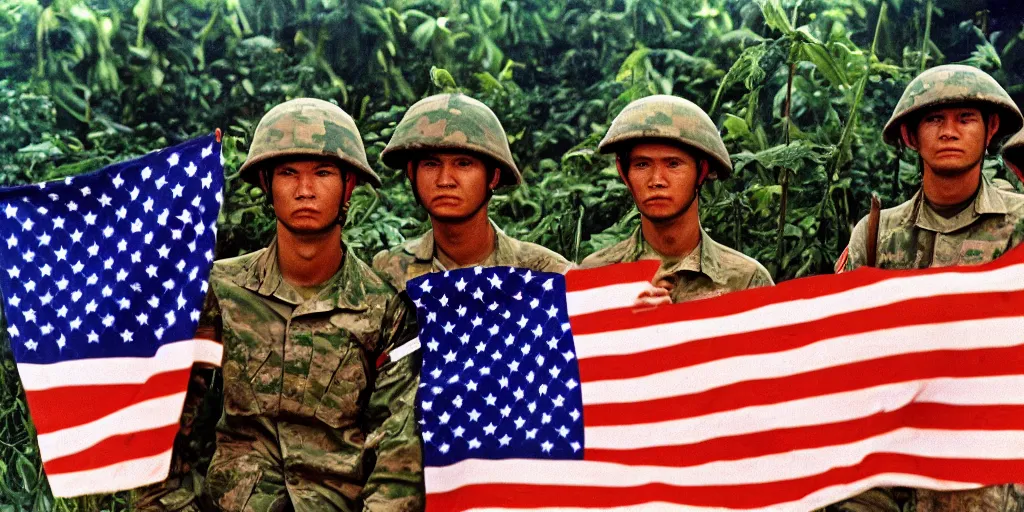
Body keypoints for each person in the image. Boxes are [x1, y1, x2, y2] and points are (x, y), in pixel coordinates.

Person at [198, 98, 422, 511]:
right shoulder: (220, 290)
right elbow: (173, 422)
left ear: (348, 186)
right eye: (288, 173)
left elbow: (397, 451)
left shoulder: (384, 308)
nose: (305, 191)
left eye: (322, 173)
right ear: (266, 183)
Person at [831, 64, 1024, 511]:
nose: (949, 132)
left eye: (966, 119)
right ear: (910, 137)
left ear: (991, 128)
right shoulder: (876, 233)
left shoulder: (1019, 225)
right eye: (935, 120)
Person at [578, 94, 773, 304]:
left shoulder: (745, 280)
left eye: (673, 164)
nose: (657, 180)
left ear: (702, 171)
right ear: (624, 173)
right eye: (642, 164)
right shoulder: (596, 274)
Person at [372, 93, 569, 290]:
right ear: (411, 174)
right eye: (431, 164)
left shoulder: (546, 274)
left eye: (463, 164)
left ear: (493, 177)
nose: (445, 180)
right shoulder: (389, 271)